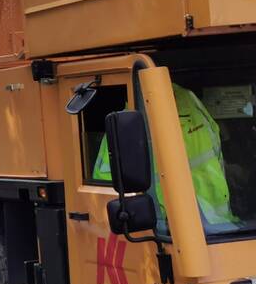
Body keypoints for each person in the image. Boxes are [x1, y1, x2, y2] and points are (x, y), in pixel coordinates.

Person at [93, 83, 235, 227]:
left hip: (217, 230)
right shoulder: (125, 127)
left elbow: (215, 156)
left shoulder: (188, 101)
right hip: (160, 233)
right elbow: (110, 198)